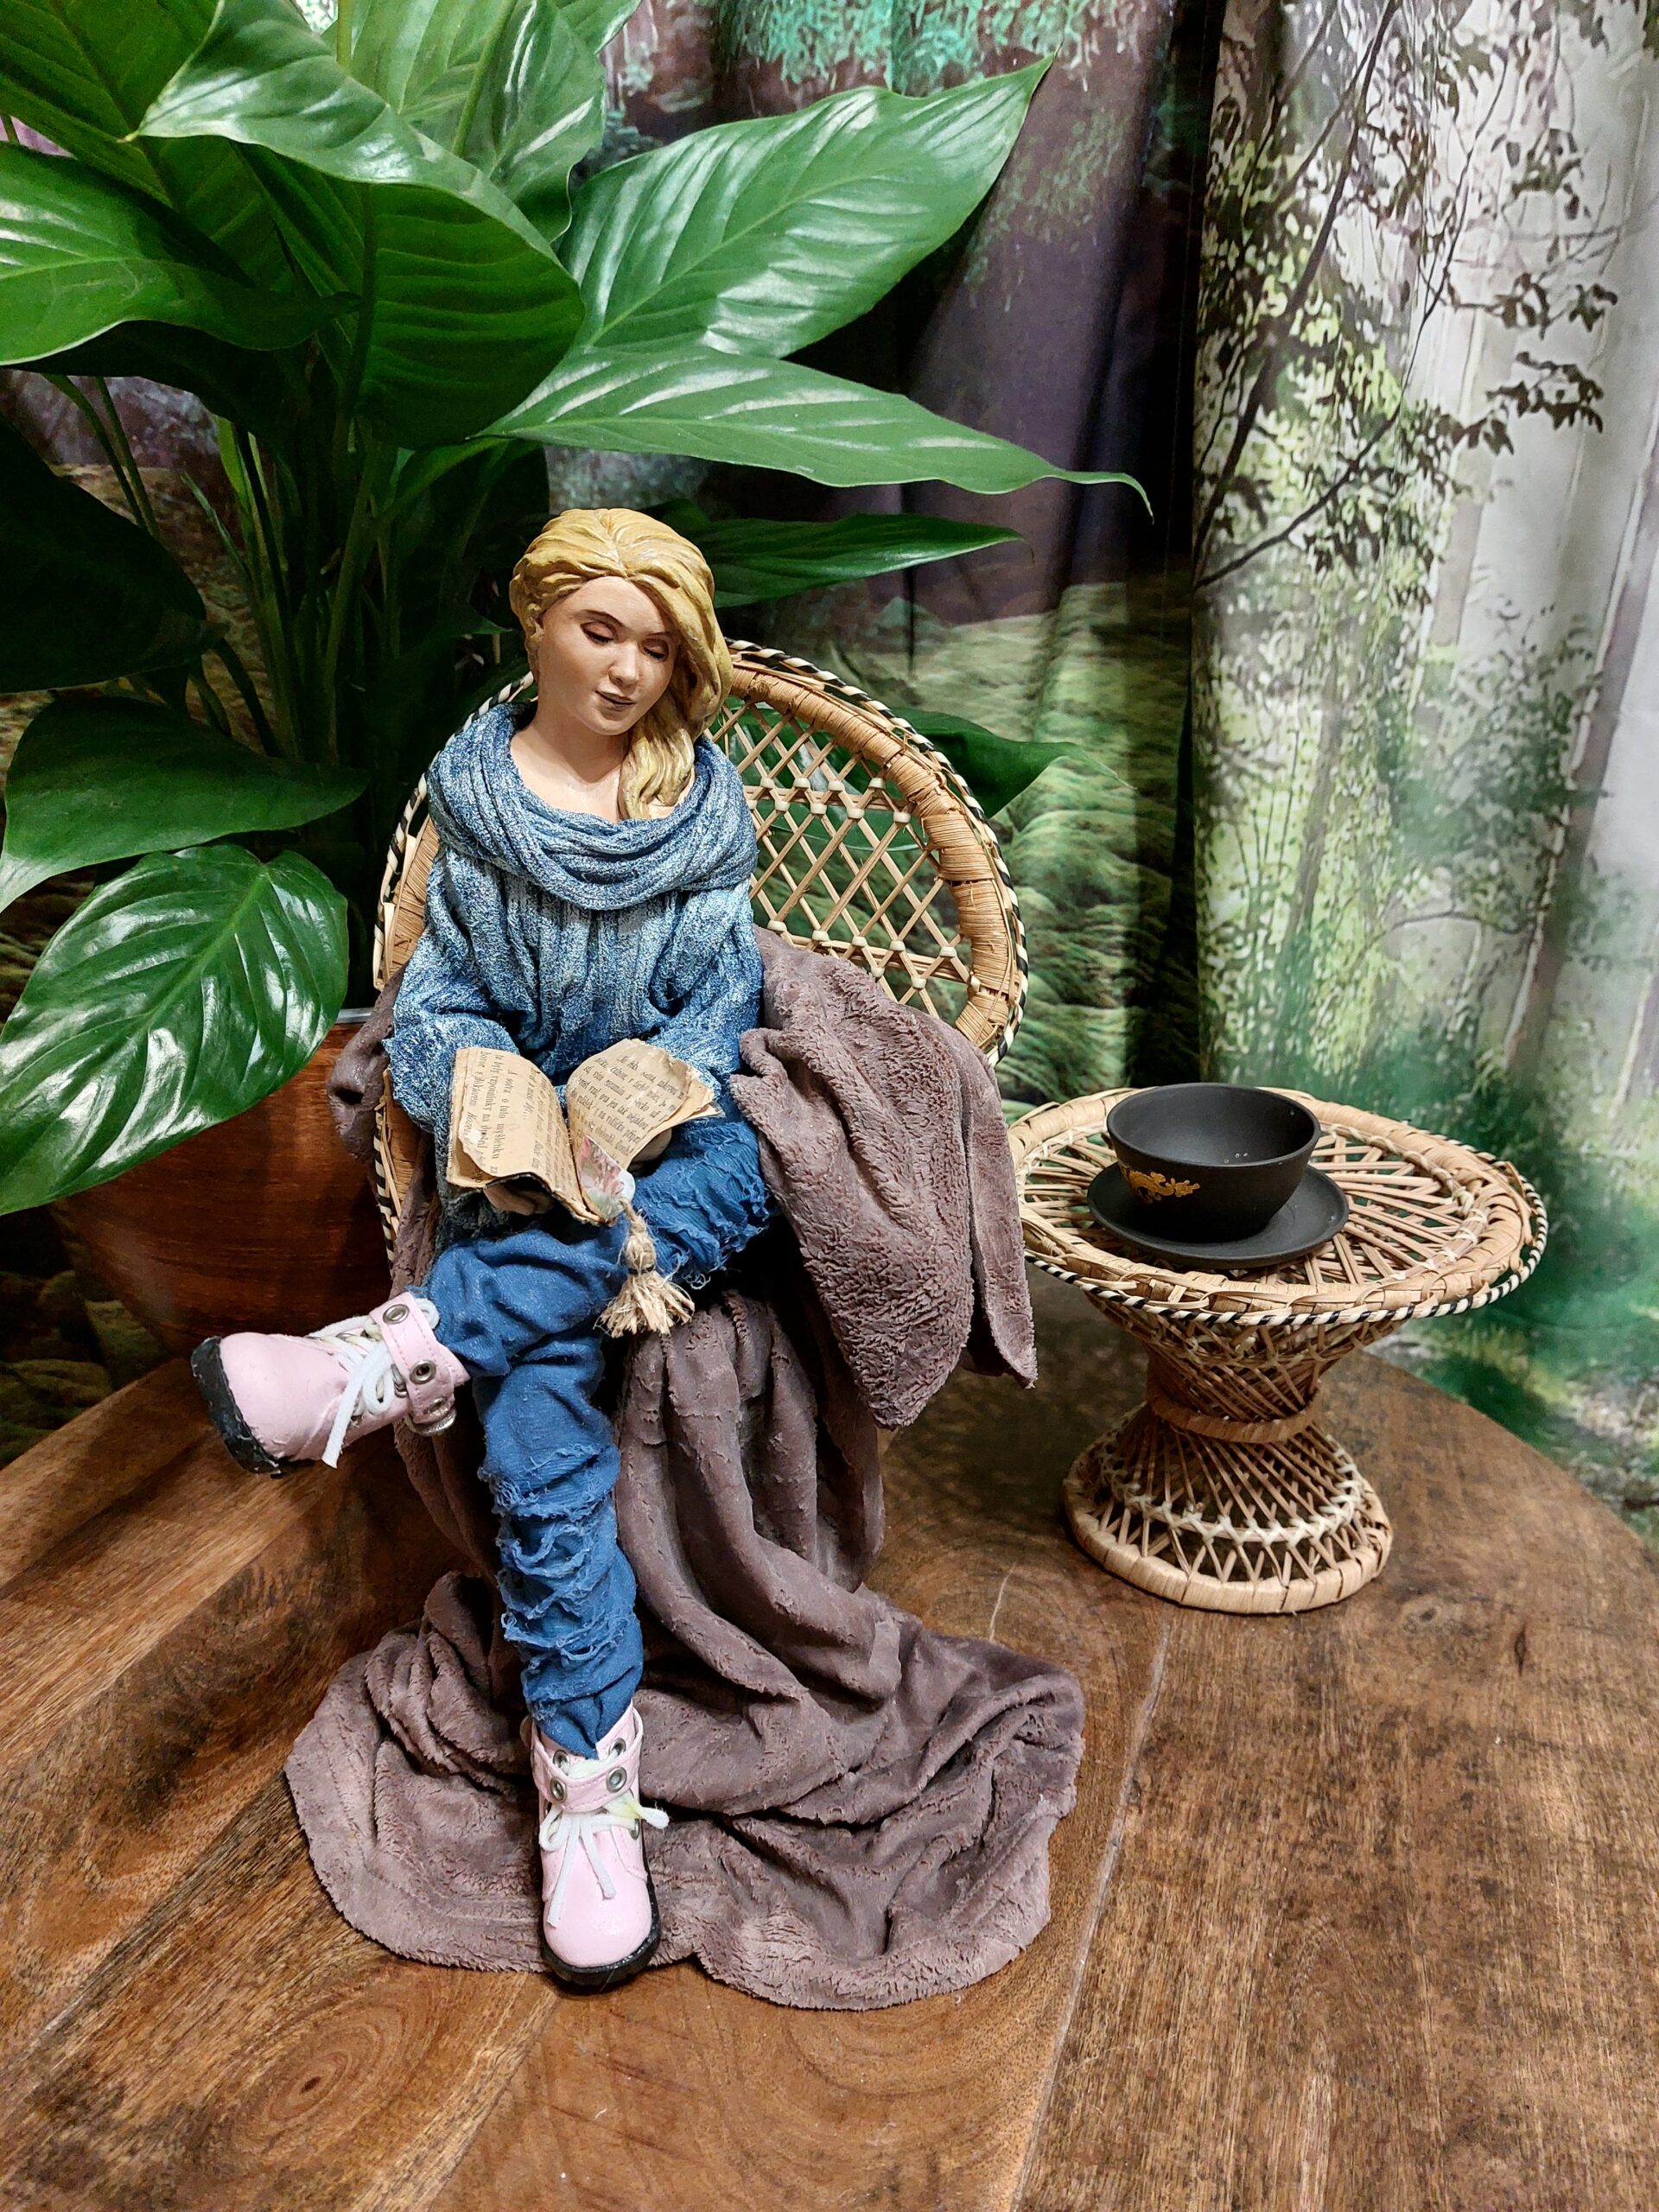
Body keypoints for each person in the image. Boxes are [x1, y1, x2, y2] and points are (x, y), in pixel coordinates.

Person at [191, 510, 775, 1989]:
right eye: (600, 629)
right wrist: (495, 1097)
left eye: (657, 646)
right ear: (536, 621)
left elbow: (722, 1003)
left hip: (658, 1159)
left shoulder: (703, 815)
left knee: (748, 1170)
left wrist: (647, 1096)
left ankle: (392, 1357)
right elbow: (440, 1004)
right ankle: (588, 1782)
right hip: (519, 1166)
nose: (627, 669)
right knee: (534, 1426)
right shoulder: (480, 805)